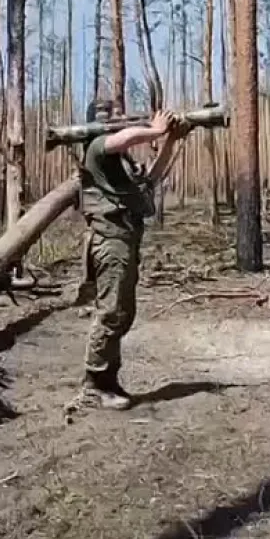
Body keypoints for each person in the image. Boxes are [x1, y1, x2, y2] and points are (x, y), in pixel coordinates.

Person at [75, 101, 188, 410]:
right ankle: (94, 384)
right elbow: (120, 139)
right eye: (110, 117)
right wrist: (154, 129)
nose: (117, 120)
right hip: (110, 242)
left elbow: (151, 180)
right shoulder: (97, 147)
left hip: (125, 241)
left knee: (122, 313)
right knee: (111, 312)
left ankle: (108, 380)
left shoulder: (120, 163)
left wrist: (170, 140)